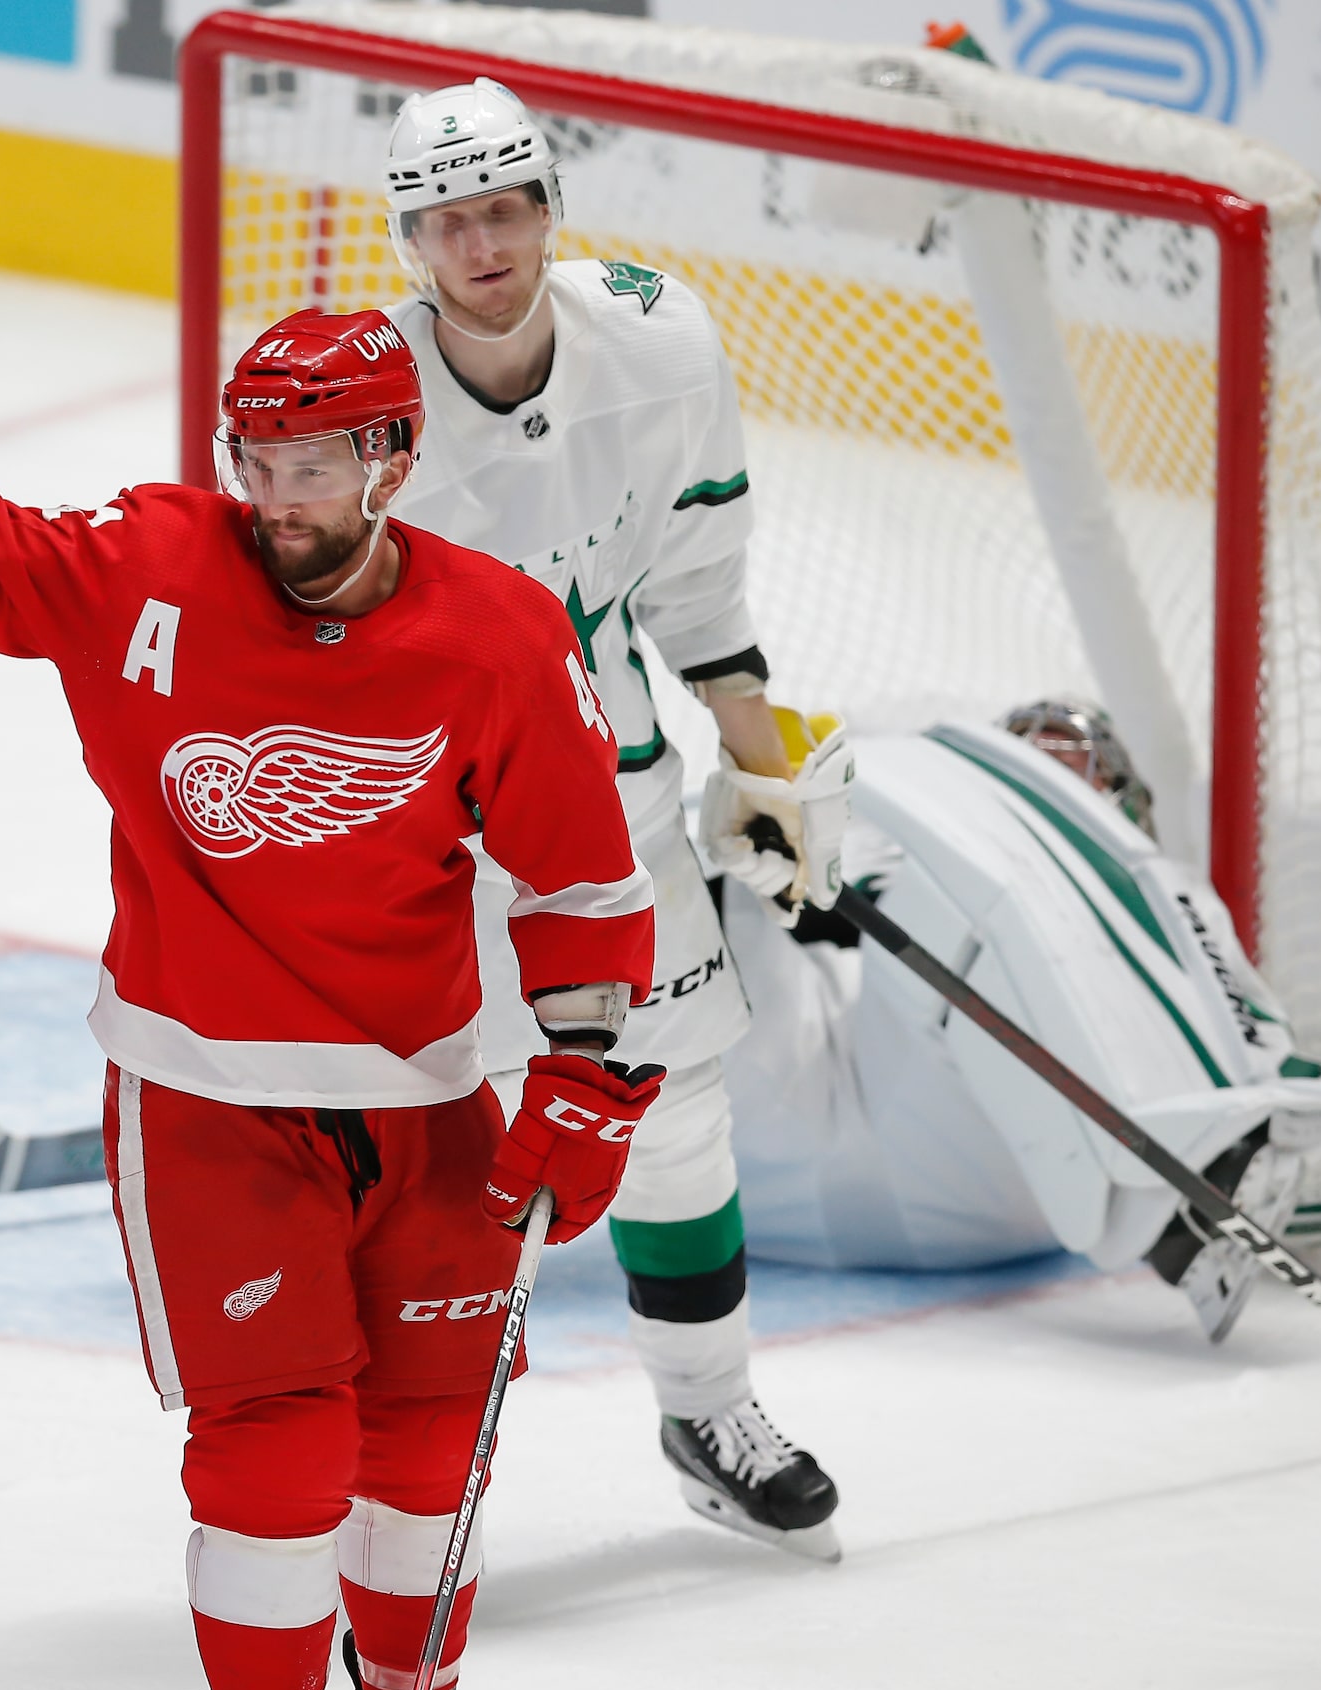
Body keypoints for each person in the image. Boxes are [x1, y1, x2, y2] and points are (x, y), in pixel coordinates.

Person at [0, 220, 659, 1690]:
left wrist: (582, 1072)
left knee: (424, 1443)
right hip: (205, 1100)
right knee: (275, 1442)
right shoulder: (147, 564)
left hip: (422, 1098)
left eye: (310, 463)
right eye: (253, 458)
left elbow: (578, 879)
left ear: (390, 455)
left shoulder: (495, 632)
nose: (276, 497)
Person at [379, 80, 849, 1561]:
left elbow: (701, 594)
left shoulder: (659, 339)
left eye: (506, 207)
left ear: (550, 210)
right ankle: (403, 1481)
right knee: (435, 1153)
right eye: (449, 219)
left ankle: (709, 1409)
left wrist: (766, 776)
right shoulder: (353, 402)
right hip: (425, 839)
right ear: (412, 242)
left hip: (615, 800)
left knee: (675, 1117)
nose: (483, 241)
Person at [721, 701, 1321, 1332]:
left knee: (723, 894)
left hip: (855, 1155)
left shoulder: (1158, 917)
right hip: (908, 1155)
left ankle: (1232, 1138)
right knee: (710, 886)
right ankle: (1215, 1158)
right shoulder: (925, 863)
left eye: (1082, 782)